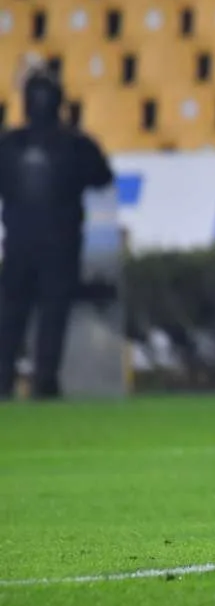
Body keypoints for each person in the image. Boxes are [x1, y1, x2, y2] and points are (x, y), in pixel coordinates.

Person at [0, 64, 113, 400]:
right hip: (60, 247)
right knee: (51, 316)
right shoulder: (75, 144)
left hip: (19, 245)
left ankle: (4, 380)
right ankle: (44, 382)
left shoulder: (10, 144)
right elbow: (102, 177)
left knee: (12, 314)